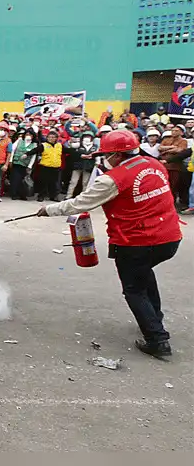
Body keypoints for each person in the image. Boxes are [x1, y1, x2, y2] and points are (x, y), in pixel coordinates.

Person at [37, 130, 182, 358]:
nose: (105, 159)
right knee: (144, 274)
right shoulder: (154, 164)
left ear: (117, 155)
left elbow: (80, 203)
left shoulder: (112, 179)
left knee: (134, 289)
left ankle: (157, 340)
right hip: (170, 238)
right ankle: (154, 318)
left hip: (136, 242)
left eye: (107, 155)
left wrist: (49, 210)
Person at [36, 130, 63, 202]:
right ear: (47, 138)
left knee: (53, 183)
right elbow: (35, 150)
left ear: (56, 138)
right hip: (45, 166)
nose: (51, 139)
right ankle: (41, 196)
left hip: (55, 167)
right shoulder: (44, 145)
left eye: (53, 137)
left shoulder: (59, 145)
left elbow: (68, 150)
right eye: (50, 137)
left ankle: (53, 196)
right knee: (43, 182)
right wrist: (26, 154)